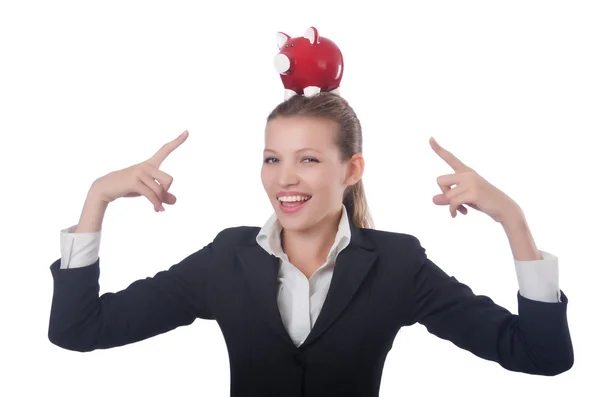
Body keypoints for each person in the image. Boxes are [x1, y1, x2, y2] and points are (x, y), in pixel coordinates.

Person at [48, 93, 573, 397]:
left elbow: (541, 355)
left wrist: (512, 220)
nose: (284, 179)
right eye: (272, 159)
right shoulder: (225, 260)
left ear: (352, 169)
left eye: (309, 159)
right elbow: (78, 330)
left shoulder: (397, 265)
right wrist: (96, 199)